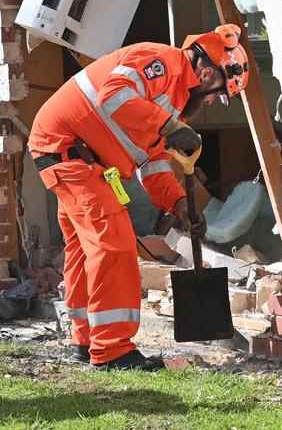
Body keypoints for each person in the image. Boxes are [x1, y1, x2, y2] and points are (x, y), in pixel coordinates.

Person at [28, 25, 249, 371]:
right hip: (71, 151)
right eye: (215, 94)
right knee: (113, 245)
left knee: (85, 251)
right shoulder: (161, 62)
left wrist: (177, 204)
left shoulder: (172, 102)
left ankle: (86, 341)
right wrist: (169, 127)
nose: (209, 102)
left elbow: (153, 163)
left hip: (76, 156)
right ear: (207, 74)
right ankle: (113, 351)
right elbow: (113, 95)